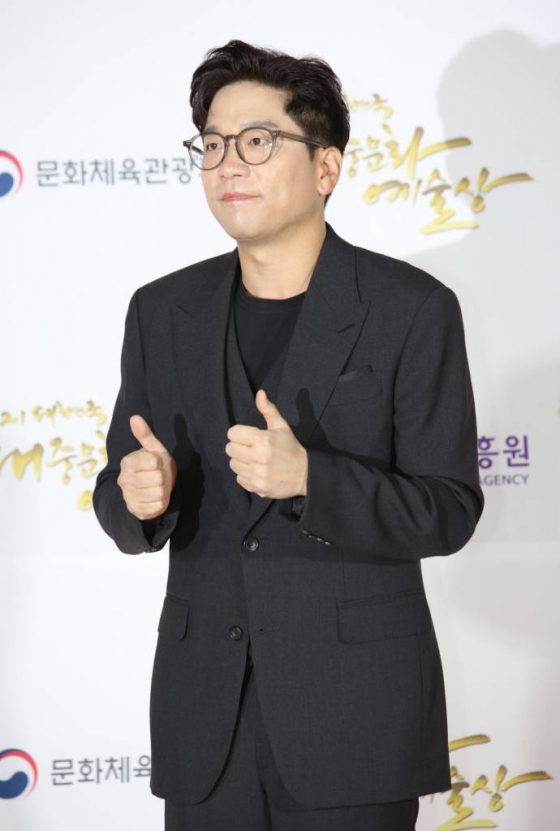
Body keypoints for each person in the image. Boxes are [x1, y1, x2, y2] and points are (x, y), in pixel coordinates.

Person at [93, 39, 484, 831]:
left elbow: (449, 508)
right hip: (205, 720)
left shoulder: (410, 308)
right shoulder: (161, 311)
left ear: (326, 167)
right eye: (212, 144)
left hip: (355, 718)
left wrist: (314, 479)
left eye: (257, 142)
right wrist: (137, 498)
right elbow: (118, 489)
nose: (227, 164)